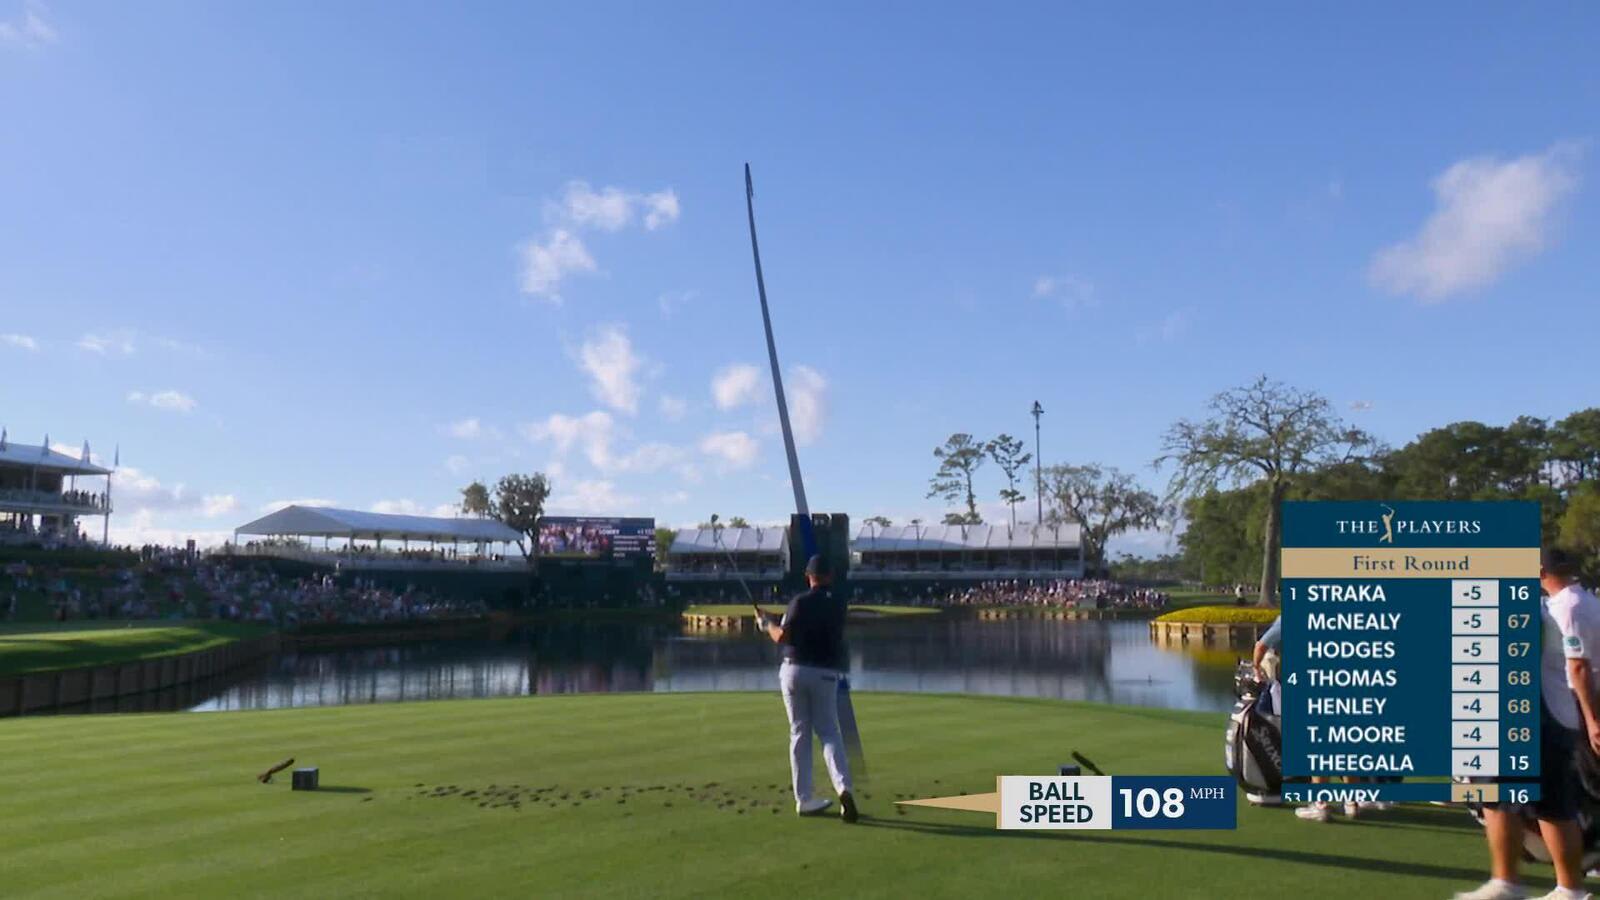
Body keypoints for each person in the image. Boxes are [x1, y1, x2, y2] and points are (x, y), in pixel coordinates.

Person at [1456, 547, 1600, 900]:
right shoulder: (1552, 605)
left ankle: (1524, 883)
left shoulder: (1541, 610)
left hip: (1541, 715)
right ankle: (1542, 885)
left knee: (1533, 799)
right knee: (1543, 802)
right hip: (1549, 713)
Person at [756, 554, 858, 823]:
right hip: (825, 673)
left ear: (808, 576)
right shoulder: (839, 604)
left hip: (794, 670)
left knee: (799, 732)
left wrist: (766, 624)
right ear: (830, 576)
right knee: (828, 733)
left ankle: (805, 799)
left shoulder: (799, 601)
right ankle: (844, 788)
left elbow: (782, 636)